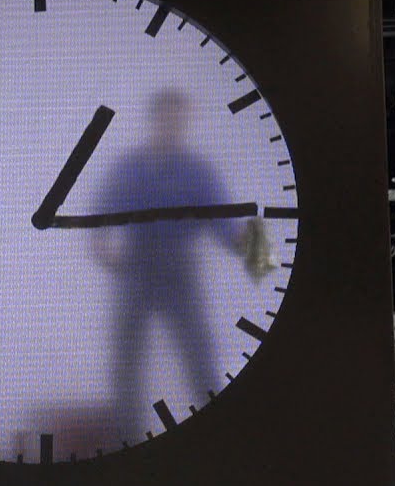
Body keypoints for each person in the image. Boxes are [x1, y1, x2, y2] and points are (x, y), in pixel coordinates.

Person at [91, 89, 272, 442]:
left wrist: (263, 257)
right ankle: (123, 444)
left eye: (180, 120)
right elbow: (100, 218)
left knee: (198, 352)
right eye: (168, 118)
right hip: (137, 267)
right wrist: (103, 250)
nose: (174, 126)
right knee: (127, 359)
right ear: (155, 120)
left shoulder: (197, 171)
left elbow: (223, 223)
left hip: (179, 269)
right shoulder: (128, 167)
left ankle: (217, 437)